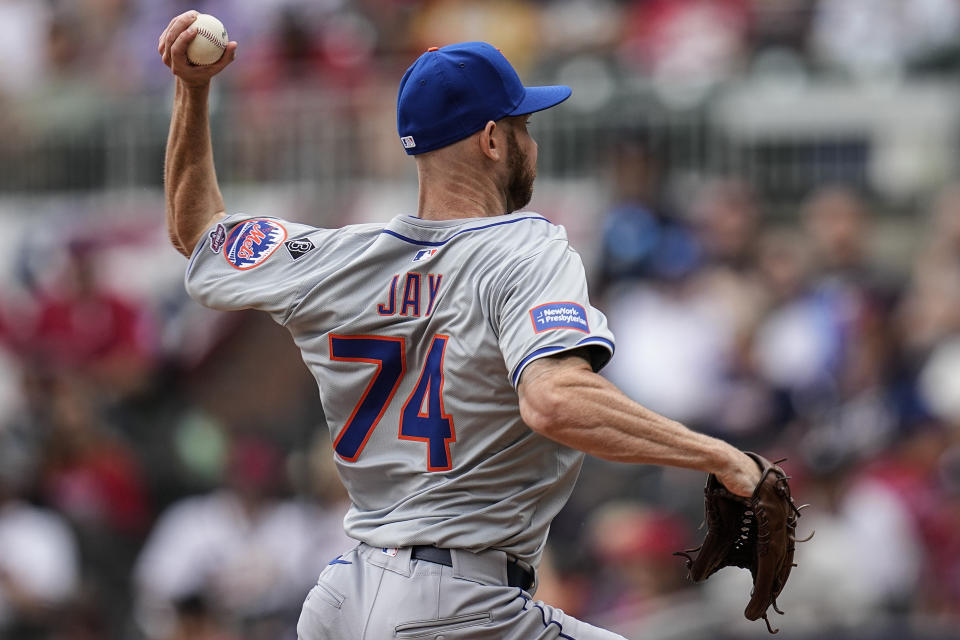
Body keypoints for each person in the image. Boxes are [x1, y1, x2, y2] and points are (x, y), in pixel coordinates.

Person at [158, 10, 762, 639]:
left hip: (345, 598)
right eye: (523, 124)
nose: (533, 142)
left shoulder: (336, 259)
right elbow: (553, 400)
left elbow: (195, 230)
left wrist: (191, 90)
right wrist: (718, 456)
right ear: (493, 140)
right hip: (458, 605)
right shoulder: (525, 249)